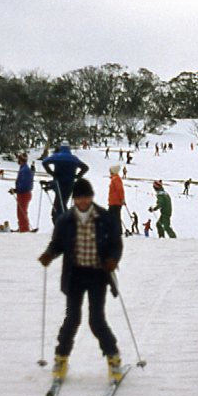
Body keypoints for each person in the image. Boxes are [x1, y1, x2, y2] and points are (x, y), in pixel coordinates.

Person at [38, 178, 124, 383]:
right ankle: (61, 358)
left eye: (86, 197)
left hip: (97, 275)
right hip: (74, 275)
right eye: (79, 198)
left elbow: (116, 244)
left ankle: (113, 358)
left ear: (92, 197)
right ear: (74, 199)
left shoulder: (104, 217)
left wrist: (112, 259)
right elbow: (57, 243)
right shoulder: (66, 220)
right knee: (72, 319)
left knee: (96, 320)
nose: (83, 201)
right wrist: (49, 254)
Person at [42, 143, 88, 223]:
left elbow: (44, 162)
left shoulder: (57, 157)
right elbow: (85, 167)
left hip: (59, 183)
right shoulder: (74, 158)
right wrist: (77, 176)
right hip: (70, 184)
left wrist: (51, 173)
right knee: (62, 204)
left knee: (58, 207)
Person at [10, 152, 33, 232]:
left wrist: (17, 190)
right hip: (22, 193)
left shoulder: (25, 170)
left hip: (24, 193)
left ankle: (25, 229)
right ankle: (22, 226)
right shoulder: (23, 168)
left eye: (19, 159)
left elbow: (25, 183)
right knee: (20, 211)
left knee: (22, 212)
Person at [107, 165, 125, 234]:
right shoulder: (114, 179)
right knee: (111, 216)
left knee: (116, 217)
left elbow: (120, 190)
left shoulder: (116, 179)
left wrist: (122, 199)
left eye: (110, 171)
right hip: (113, 201)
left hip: (116, 202)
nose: (110, 172)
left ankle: (118, 232)